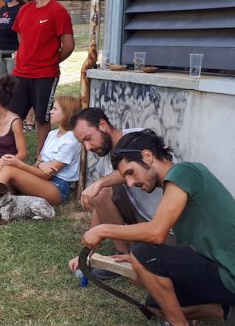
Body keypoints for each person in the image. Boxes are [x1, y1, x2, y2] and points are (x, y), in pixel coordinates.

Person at [73, 129, 235, 326]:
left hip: (230, 273)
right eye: (126, 177)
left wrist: (103, 230)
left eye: (131, 173)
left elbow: (156, 233)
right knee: (154, 305)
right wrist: (138, 262)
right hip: (220, 271)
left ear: (147, 156)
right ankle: (227, 309)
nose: (130, 183)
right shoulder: (175, 184)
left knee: (144, 252)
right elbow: (180, 247)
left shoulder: (184, 173)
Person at [70, 107, 167, 279]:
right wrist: (88, 250)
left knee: (102, 188)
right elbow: (101, 205)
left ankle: (138, 256)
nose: (88, 147)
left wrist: (100, 183)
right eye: (82, 143)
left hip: (163, 223)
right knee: (101, 193)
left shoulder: (137, 139)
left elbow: (137, 169)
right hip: (138, 216)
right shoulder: (105, 160)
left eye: (88, 138)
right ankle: (121, 257)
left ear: (103, 125)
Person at [0, 95, 83, 217]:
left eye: (55, 109)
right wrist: (41, 164)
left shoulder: (70, 141)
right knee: (6, 160)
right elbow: (38, 162)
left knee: (10, 167)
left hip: (57, 188)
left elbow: (46, 175)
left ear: (67, 113)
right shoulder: (52, 134)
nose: (50, 112)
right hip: (41, 180)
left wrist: (20, 164)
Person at [9, 0, 74, 157]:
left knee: (42, 118)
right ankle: (11, 154)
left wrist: (51, 60)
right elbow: (21, 39)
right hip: (21, 73)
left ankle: (40, 157)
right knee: (13, 116)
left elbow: (69, 46)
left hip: (45, 75)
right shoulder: (24, 10)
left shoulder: (58, 11)